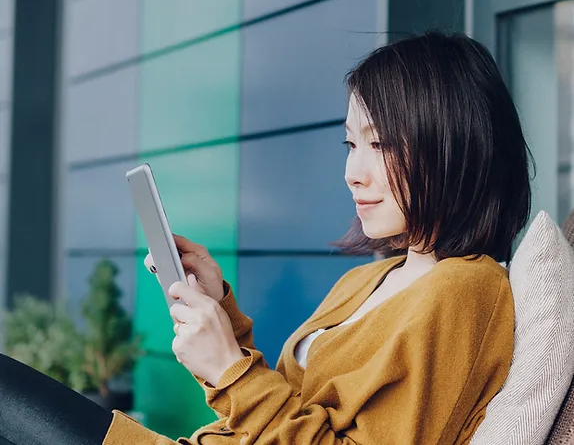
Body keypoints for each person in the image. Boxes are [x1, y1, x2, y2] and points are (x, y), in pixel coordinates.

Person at [0, 30, 531, 444]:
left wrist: (228, 370)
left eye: (381, 144)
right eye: (351, 144)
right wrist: (222, 318)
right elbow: (283, 409)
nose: (352, 171)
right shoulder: (370, 279)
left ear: (454, 144)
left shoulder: (466, 292)